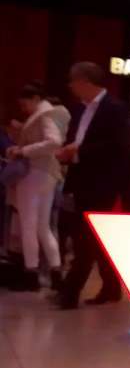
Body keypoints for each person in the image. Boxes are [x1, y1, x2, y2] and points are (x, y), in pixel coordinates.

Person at [55, 63, 130, 310]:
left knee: (84, 237)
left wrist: (78, 152)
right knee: (96, 236)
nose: (71, 87)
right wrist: (68, 151)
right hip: (80, 179)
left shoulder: (115, 108)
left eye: (73, 82)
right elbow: (74, 138)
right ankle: (111, 287)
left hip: (103, 182)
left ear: (85, 82)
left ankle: (69, 293)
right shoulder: (79, 109)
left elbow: (119, 146)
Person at [3, 84, 68, 291]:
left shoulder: (44, 115)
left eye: (25, 104)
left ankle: (31, 273)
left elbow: (53, 141)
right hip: (47, 174)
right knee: (42, 226)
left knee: (29, 225)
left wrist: (23, 151)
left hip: (34, 174)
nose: (24, 109)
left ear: (35, 98)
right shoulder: (52, 114)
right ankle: (56, 272)